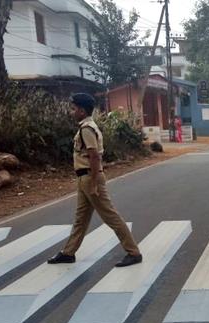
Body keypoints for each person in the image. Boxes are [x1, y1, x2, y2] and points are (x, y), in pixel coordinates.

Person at [48, 93, 143, 267]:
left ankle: (133, 252)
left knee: (110, 216)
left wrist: (93, 183)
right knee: (81, 219)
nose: (72, 112)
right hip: (84, 177)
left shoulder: (86, 129)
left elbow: (94, 156)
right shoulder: (87, 126)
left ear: (82, 111)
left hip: (90, 177)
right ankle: (68, 253)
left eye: (74, 109)